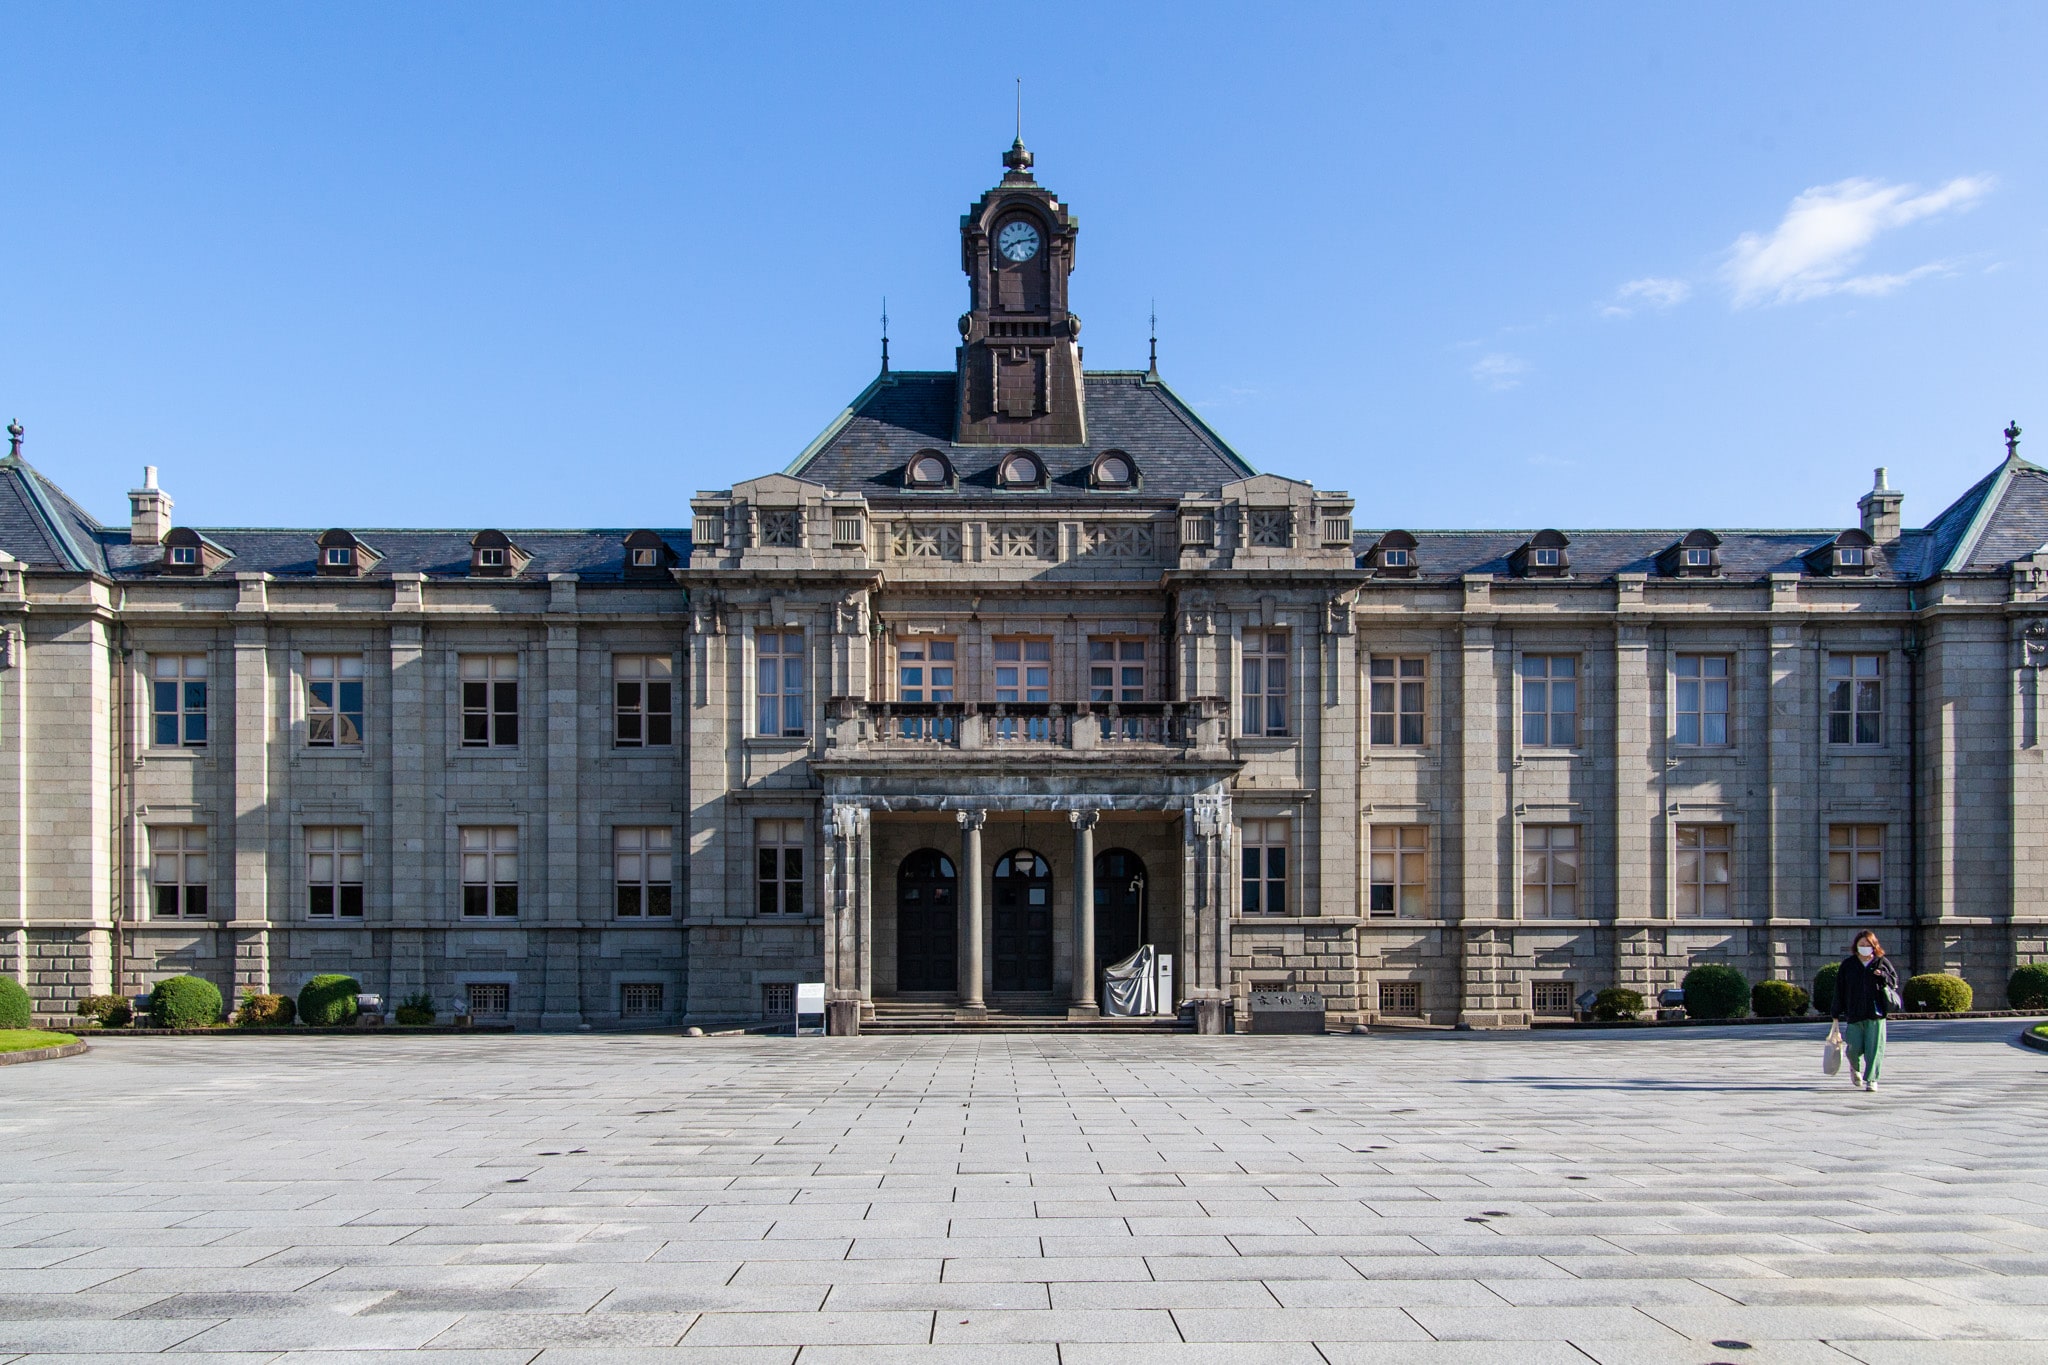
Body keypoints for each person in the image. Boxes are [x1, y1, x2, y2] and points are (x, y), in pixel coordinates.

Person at [1832, 929, 1901, 1091]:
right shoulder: (1848, 965)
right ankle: (1854, 1068)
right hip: (1854, 1013)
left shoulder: (1881, 962)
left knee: (1874, 1049)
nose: (1864, 947)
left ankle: (1871, 1079)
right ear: (1856, 946)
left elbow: (1893, 982)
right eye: (1861, 944)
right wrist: (1835, 1012)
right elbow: (1840, 989)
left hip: (1876, 1013)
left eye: (1868, 945)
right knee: (1853, 1049)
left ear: (1874, 946)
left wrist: (1882, 975)